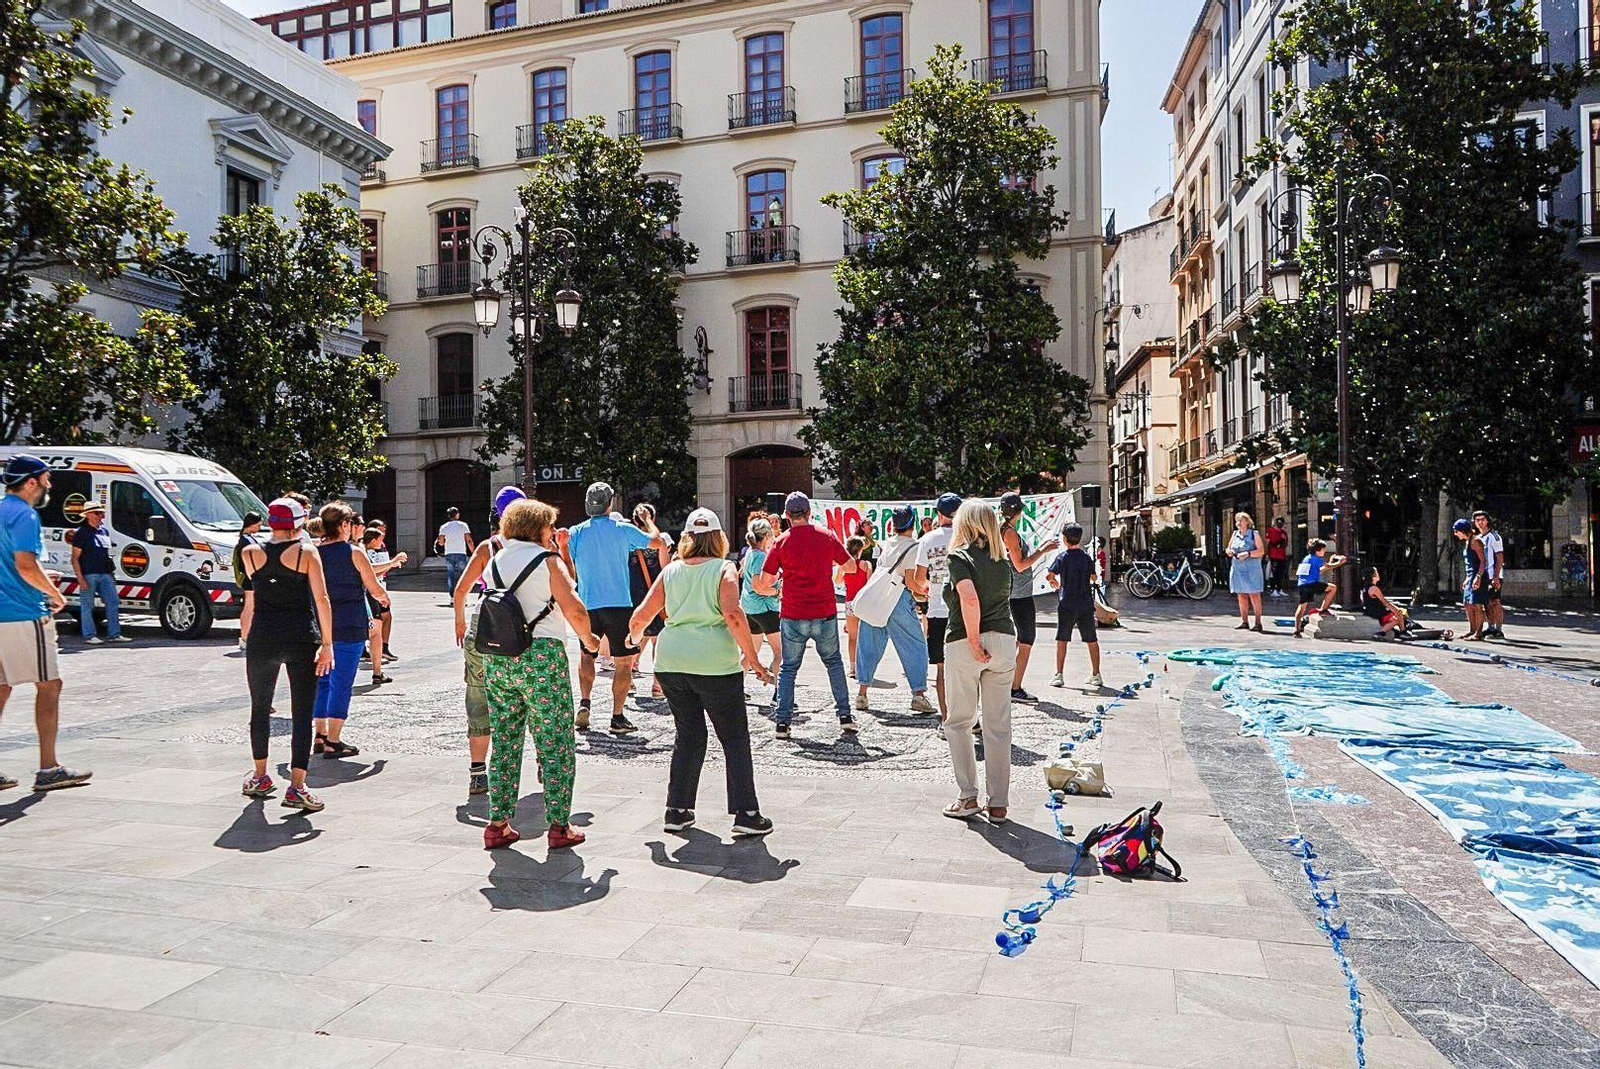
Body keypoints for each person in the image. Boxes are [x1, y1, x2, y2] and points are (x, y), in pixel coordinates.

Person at [627, 507, 773, 837]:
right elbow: (734, 616)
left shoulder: (672, 571)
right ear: (719, 538)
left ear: (687, 539)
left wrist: (633, 639)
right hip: (715, 666)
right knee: (734, 738)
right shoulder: (724, 569)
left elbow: (641, 616)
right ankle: (746, 813)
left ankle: (677, 810)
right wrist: (753, 660)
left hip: (671, 664)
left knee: (689, 734)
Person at [481, 498, 600, 851]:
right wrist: (590, 641)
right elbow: (574, 609)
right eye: (549, 526)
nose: (552, 532)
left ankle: (498, 823)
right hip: (541, 657)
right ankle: (560, 826)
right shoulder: (547, 560)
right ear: (537, 528)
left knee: (505, 739)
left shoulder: (496, 559)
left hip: (499, 657)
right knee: (554, 740)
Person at [239, 497, 335, 811]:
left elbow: (251, 600)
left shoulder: (249, 552)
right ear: (297, 523)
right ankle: (296, 786)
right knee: (302, 713)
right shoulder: (307, 553)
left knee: (259, 708)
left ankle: (260, 775)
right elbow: (321, 599)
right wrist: (328, 643)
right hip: (300, 637)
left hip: (262, 637)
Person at [0, 455, 89, 793]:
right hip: (22, 613)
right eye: (47, 479)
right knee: (49, 685)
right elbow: (24, 565)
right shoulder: (25, 514)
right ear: (32, 482)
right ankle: (49, 768)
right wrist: (53, 592)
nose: (50, 485)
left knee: (2, 687)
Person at [563, 481, 670, 734]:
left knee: (586, 655)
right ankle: (617, 716)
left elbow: (569, 565)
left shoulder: (576, 532)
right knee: (623, 662)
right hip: (619, 604)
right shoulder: (623, 529)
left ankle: (585, 702)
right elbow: (655, 542)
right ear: (610, 504)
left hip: (588, 604)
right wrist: (647, 519)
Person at [751, 491, 858, 739]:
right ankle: (845, 716)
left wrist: (782, 580)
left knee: (788, 668)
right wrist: (828, 565)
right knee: (833, 663)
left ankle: (782, 723)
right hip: (824, 612)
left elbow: (766, 581)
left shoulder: (781, 542)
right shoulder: (826, 536)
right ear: (809, 513)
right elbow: (850, 566)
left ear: (787, 516)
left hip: (792, 613)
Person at [940, 500, 1017, 824]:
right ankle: (998, 803)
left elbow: (969, 598)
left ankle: (968, 797)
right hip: (1004, 640)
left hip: (966, 641)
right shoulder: (1002, 562)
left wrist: (973, 640)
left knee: (959, 722)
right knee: (998, 726)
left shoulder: (959, 556)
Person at [452, 486, 527, 795]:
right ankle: (537, 764)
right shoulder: (536, 546)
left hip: (483, 628)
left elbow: (460, 590)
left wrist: (459, 621)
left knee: (478, 698)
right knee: (527, 698)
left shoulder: (489, 546)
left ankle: (478, 772)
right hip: (521, 631)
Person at [311, 502, 389, 757]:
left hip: (320, 626)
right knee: (341, 683)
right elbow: (373, 586)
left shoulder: (312, 552)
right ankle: (334, 740)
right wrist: (384, 598)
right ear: (344, 525)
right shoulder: (353, 552)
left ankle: (320, 735)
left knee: (322, 681)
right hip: (349, 625)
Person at [854, 505, 936, 714]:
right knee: (915, 646)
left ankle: (862, 694)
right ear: (912, 523)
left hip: (877, 599)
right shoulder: (913, 547)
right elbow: (910, 581)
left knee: (868, 645)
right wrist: (926, 592)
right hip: (899, 600)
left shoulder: (887, 543)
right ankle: (918, 695)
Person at [998, 492, 1060, 703]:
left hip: (1014, 591)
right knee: (1026, 639)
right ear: (1018, 511)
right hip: (1019, 593)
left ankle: (1006, 682)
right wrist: (1043, 550)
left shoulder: (1003, 529)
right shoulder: (1009, 533)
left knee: (1016, 639)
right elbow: (1020, 564)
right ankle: (1014, 688)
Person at [911, 493, 961, 720]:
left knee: (941, 668)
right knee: (967, 669)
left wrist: (931, 587)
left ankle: (946, 718)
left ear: (939, 515)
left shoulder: (928, 539)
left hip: (938, 609)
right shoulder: (970, 538)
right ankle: (972, 718)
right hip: (964, 609)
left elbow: (920, 577)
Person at [1047, 524, 1102, 688]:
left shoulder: (1062, 558)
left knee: (1062, 640)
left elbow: (1050, 575)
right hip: (1085, 603)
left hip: (1067, 604)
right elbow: (1093, 577)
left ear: (1064, 539)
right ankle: (1096, 674)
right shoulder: (1086, 558)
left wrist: (1054, 582)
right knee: (1092, 640)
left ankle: (1059, 674)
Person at [628, 503, 670, 700]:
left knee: (632, 640)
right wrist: (648, 521)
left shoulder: (627, 541)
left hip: (632, 597)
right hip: (655, 598)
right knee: (658, 642)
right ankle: (657, 685)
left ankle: (627, 679)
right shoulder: (658, 544)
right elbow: (666, 569)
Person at [70, 501, 126, 644]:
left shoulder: (104, 531)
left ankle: (114, 634)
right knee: (87, 605)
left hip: (105, 573)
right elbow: (75, 558)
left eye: (101, 513)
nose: (100, 516)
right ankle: (90, 635)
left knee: (112, 602)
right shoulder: (81, 533)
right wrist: (80, 578)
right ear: (88, 515)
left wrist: (111, 574)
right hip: (89, 574)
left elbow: (105, 554)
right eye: (97, 513)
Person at [738, 517, 782, 674]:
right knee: (780, 653)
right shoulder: (760, 556)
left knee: (751, 653)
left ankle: (737, 690)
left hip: (750, 608)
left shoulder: (750, 553)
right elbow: (758, 586)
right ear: (767, 536)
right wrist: (777, 592)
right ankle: (779, 693)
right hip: (765, 609)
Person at [362, 527, 406, 671]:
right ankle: (378, 658)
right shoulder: (363, 552)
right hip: (371, 592)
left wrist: (391, 565)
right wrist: (392, 562)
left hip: (375, 591)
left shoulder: (370, 551)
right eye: (380, 539)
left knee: (381, 621)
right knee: (376, 626)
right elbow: (370, 571)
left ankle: (378, 652)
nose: (382, 542)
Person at [1292, 539, 1347, 638]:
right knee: (1333, 588)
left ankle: (1296, 630)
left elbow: (1319, 571)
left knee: (1302, 607)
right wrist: (1340, 562)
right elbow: (1329, 566)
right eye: (1323, 550)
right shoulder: (1317, 559)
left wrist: (1329, 562)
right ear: (1317, 551)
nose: (1324, 552)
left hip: (1301, 585)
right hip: (1311, 584)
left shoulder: (1306, 558)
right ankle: (1323, 609)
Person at [838, 535, 873, 679]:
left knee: (852, 637)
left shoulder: (845, 566)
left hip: (850, 602)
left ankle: (852, 667)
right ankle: (864, 667)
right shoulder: (866, 565)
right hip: (863, 602)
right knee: (865, 636)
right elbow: (870, 584)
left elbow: (837, 581)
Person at [1226, 511, 1267, 632]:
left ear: (1247, 522)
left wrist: (1248, 553)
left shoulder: (1254, 534)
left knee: (1254, 595)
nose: (1238, 523)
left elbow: (1261, 551)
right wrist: (1229, 552)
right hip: (1238, 568)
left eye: (1241, 520)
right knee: (1241, 595)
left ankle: (1258, 623)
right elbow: (1228, 548)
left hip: (1252, 569)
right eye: (1236, 520)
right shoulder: (1234, 534)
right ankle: (1244, 621)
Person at [233, 511, 263, 651]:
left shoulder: (246, 538)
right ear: (251, 524)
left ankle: (246, 637)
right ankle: (245, 637)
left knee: (250, 607)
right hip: (250, 577)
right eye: (258, 525)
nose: (259, 528)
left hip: (250, 577)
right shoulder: (246, 540)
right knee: (249, 607)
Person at [1454, 518, 1488, 641]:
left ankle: (1478, 633)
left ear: (1463, 531)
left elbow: (1483, 561)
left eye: (1456, 531)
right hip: (1471, 576)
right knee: (1467, 604)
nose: (1455, 534)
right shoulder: (1468, 542)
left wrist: (1478, 577)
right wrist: (1467, 578)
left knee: (1477, 605)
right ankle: (1472, 630)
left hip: (1478, 575)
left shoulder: (1475, 541)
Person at [1474, 511, 1505, 639]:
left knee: (1495, 602)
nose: (1480, 522)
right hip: (1484, 575)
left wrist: (1496, 577)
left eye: (1482, 519)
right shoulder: (1478, 538)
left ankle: (1498, 629)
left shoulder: (1494, 537)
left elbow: (1499, 558)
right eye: (1477, 520)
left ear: (1487, 521)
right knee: (1486, 603)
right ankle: (1490, 627)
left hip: (1494, 575)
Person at [436, 507, 475, 595]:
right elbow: (469, 540)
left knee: (451, 575)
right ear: (457, 514)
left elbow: (441, 543)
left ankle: (452, 597)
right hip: (461, 553)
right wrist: (473, 552)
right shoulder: (463, 525)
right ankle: (463, 596)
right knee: (463, 576)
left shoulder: (444, 527)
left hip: (449, 553)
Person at [1362, 566, 1407, 640]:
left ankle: (1381, 633)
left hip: (1371, 610)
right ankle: (1403, 632)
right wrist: (1395, 610)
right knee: (1399, 614)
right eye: (1376, 573)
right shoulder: (1374, 588)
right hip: (1378, 612)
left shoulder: (1366, 587)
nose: (1378, 574)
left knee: (1395, 620)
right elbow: (1384, 602)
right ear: (1372, 576)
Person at [1265, 517, 1290, 597]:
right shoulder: (1270, 531)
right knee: (1273, 573)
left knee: (1280, 573)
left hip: (1282, 555)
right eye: (1279, 522)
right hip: (1273, 555)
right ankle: (1273, 589)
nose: (1280, 524)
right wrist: (1267, 554)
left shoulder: (1283, 532)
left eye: (1282, 522)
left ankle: (1279, 589)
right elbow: (1268, 543)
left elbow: (1286, 543)